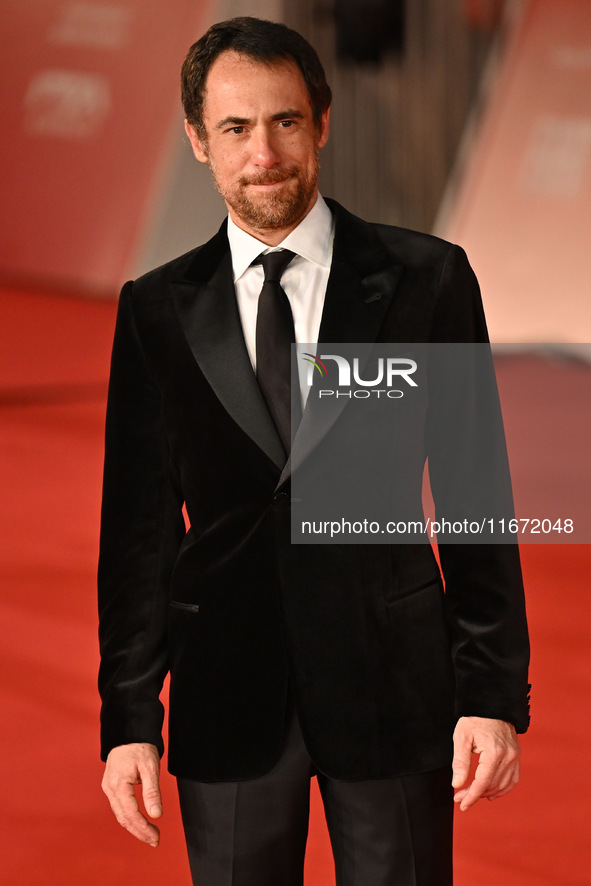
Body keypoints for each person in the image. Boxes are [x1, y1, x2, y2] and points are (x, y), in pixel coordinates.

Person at [98, 16, 530, 886]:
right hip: (226, 696)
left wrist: (489, 697)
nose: (264, 151)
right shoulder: (156, 310)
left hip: (392, 687)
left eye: (284, 121)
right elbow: (139, 532)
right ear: (197, 141)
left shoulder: (425, 281)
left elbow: (475, 490)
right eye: (234, 127)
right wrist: (130, 719)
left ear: (321, 121)